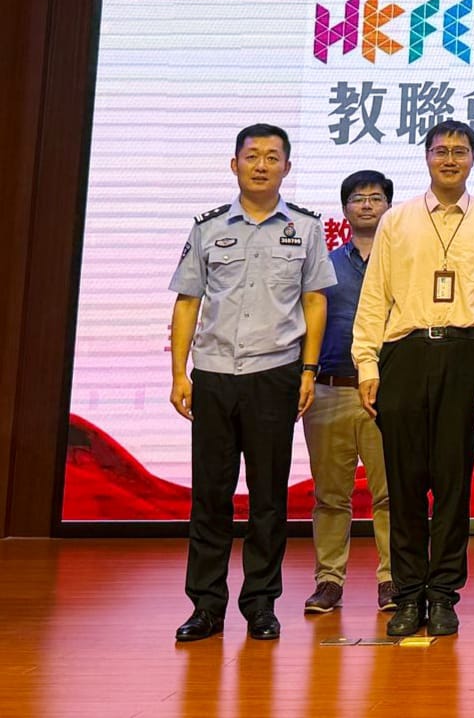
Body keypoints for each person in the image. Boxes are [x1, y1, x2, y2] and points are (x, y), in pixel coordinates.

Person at [351, 120, 474, 638]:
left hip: (464, 355)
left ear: (473, 158)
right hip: (403, 355)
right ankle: (407, 595)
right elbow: (374, 298)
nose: (450, 159)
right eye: (441, 150)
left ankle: (444, 594)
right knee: (403, 484)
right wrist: (367, 364)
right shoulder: (397, 220)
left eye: (460, 151)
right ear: (426, 156)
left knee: (452, 483)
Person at [169, 124, 336, 643]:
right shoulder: (207, 228)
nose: (261, 165)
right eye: (251, 156)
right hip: (215, 374)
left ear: (287, 167)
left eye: (271, 157)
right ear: (234, 164)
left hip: (275, 374)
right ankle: (206, 606)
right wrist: (179, 374)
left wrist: (308, 370)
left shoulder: (305, 228)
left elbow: (315, 301)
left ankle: (261, 605)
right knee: (211, 495)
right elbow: (188, 302)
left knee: (268, 497)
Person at [302, 170, 395, 616]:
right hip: (329, 389)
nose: (367, 205)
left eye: (376, 198)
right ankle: (329, 580)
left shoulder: (401, 262)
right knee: (330, 496)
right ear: (344, 209)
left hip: (386, 394)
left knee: (391, 494)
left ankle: (392, 579)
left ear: (389, 207)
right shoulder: (323, 264)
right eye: (358, 198)